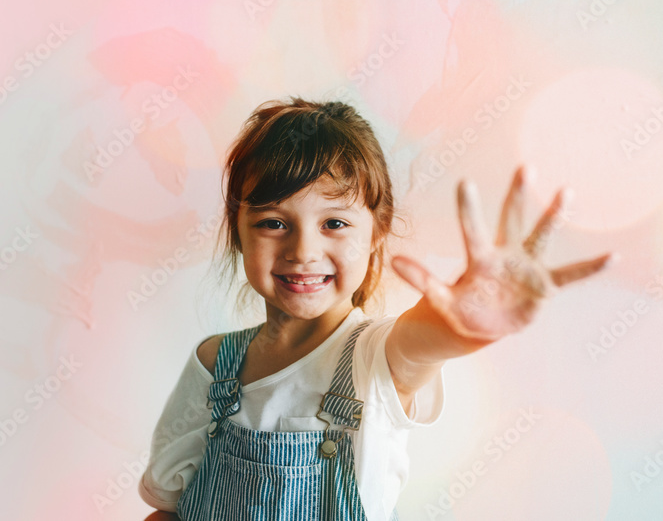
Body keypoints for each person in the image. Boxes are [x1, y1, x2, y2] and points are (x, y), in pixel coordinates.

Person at [138, 97, 611, 520]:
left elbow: (422, 343)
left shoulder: (375, 358)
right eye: (274, 222)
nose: (303, 250)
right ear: (238, 232)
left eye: (335, 222)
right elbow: (168, 509)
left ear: (376, 235)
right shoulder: (213, 364)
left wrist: (469, 318)